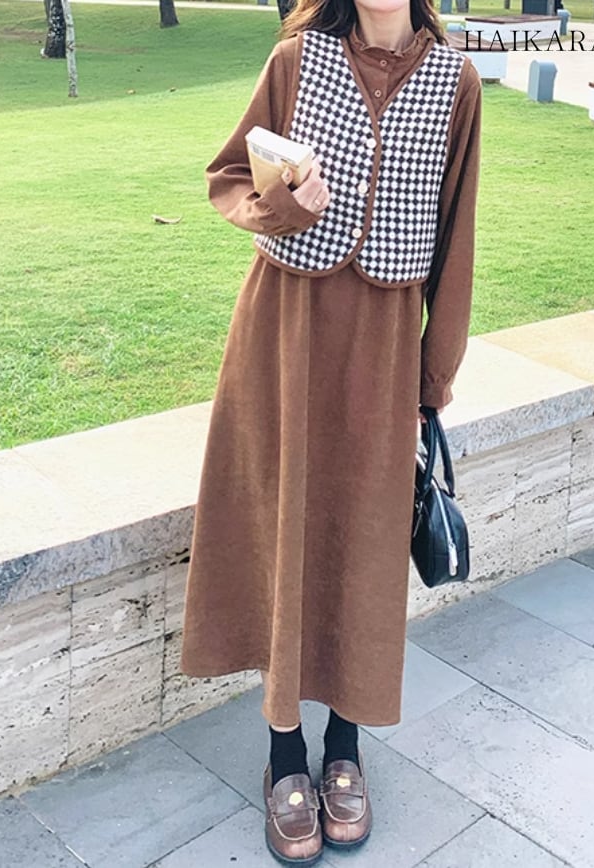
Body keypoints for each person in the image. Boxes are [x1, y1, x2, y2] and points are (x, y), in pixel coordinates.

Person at [180, 0, 482, 861]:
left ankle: (344, 745)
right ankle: (284, 752)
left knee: (366, 537)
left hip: (383, 344)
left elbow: (457, 231)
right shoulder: (296, 60)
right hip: (285, 332)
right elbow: (228, 177)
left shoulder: (456, 80)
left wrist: (434, 377)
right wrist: (284, 203)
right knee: (282, 527)